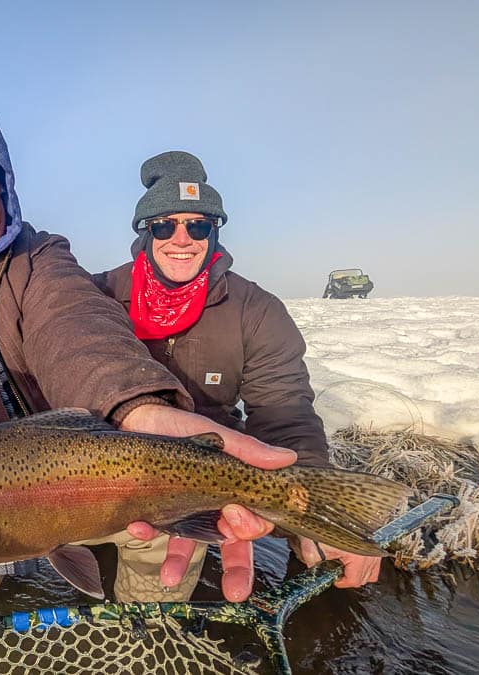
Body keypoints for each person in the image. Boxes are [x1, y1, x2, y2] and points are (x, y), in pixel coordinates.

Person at [0, 98, 298, 613]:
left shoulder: (42, 256)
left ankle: (154, 633)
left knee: (163, 544)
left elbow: (77, 329)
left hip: (77, 484)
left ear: (3, 193)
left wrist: (134, 406)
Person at [94, 150, 382, 593]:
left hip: (191, 497)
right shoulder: (93, 298)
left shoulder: (257, 311)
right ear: (144, 233)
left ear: (215, 232)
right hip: (88, 484)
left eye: (199, 225)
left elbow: (284, 413)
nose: (182, 238)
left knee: (153, 608)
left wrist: (316, 516)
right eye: (165, 225)